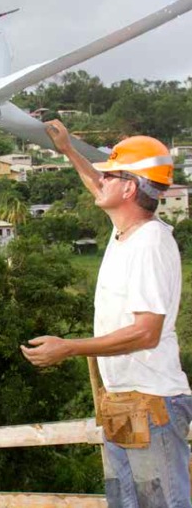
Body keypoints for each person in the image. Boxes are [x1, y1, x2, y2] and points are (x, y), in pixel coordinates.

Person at [21, 120, 192, 506]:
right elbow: (95, 185)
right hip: (122, 402)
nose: (101, 180)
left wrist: (69, 348)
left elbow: (147, 332)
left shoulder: (149, 244)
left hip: (152, 406)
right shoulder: (124, 231)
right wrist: (67, 150)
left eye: (110, 175)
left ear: (129, 187)